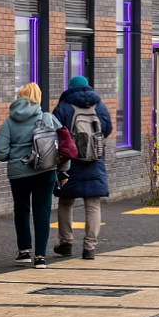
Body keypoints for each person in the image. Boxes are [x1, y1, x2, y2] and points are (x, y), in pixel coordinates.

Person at [0, 83, 58, 269]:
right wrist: (64, 170)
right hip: (45, 170)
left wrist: (14, 155)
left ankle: (24, 251)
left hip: (19, 172)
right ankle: (40, 257)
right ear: (38, 97)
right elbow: (63, 143)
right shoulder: (47, 118)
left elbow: (0, 150)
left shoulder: (10, 122)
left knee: (21, 210)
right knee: (42, 211)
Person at [52, 76, 113, 260]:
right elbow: (107, 129)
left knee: (65, 202)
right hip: (95, 161)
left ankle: (66, 243)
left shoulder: (63, 107)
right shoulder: (100, 106)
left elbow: (54, 132)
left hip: (70, 162)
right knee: (93, 205)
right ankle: (89, 248)